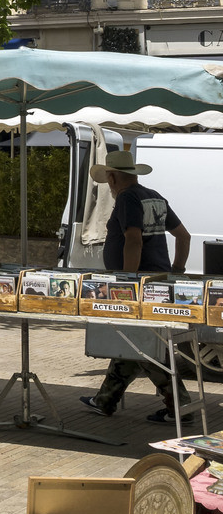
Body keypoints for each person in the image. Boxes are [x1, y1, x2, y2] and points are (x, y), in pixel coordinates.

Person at [82, 156, 191, 419]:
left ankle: (180, 408)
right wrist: (177, 270)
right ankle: (104, 400)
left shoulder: (127, 198)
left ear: (112, 177)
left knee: (144, 346)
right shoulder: (154, 197)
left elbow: (133, 240)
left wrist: (129, 280)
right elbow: (183, 236)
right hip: (157, 280)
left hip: (139, 284)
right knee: (133, 341)